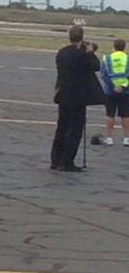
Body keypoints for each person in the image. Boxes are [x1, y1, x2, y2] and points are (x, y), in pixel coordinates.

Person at [50, 26, 100, 172]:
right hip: (78, 96)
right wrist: (90, 53)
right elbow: (96, 66)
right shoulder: (83, 55)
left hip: (63, 93)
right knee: (75, 129)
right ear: (81, 37)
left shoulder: (62, 53)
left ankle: (55, 159)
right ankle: (66, 162)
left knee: (62, 127)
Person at [101, 38, 129, 145]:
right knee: (126, 115)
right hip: (126, 91)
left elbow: (104, 75)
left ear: (114, 47)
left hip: (110, 91)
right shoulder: (127, 58)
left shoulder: (107, 59)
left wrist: (113, 86)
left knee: (110, 114)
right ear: (124, 47)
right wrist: (122, 86)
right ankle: (127, 138)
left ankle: (109, 138)